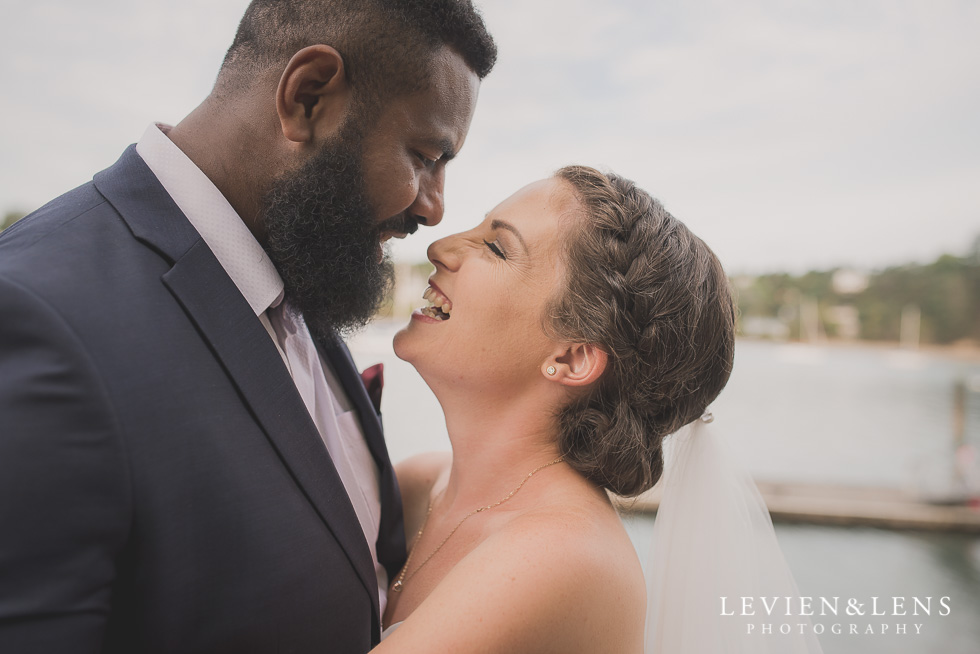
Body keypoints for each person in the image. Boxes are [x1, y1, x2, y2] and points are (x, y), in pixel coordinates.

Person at [0, 1, 495, 652]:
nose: (434, 208)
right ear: (309, 97)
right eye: (425, 155)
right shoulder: (39, 314)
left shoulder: (302, 265)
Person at [373, 166, 822, 652]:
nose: (441, 246)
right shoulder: (424, 484)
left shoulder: (560, 556)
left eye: (497, 247)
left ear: (571, 357)